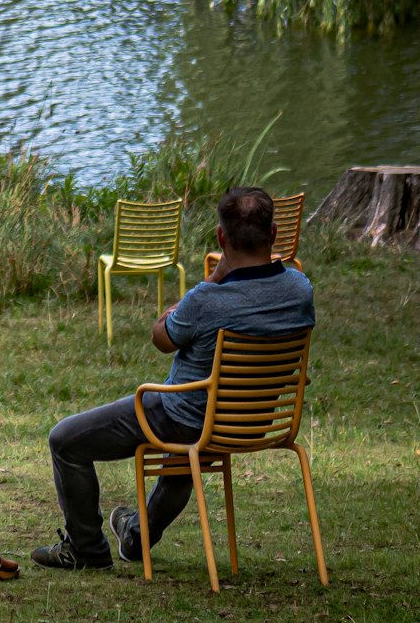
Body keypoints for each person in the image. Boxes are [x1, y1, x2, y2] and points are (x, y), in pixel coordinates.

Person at [31, 186, 315, 570]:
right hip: (251, 419)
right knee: (188, 449)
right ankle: (135, 536)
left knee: (64, 440)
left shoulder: (205, 300)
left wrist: (212, 277)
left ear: (221, 236)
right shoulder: (300, 290)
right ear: (274, 234)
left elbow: (161, 338)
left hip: (187, 418)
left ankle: (86, 549)